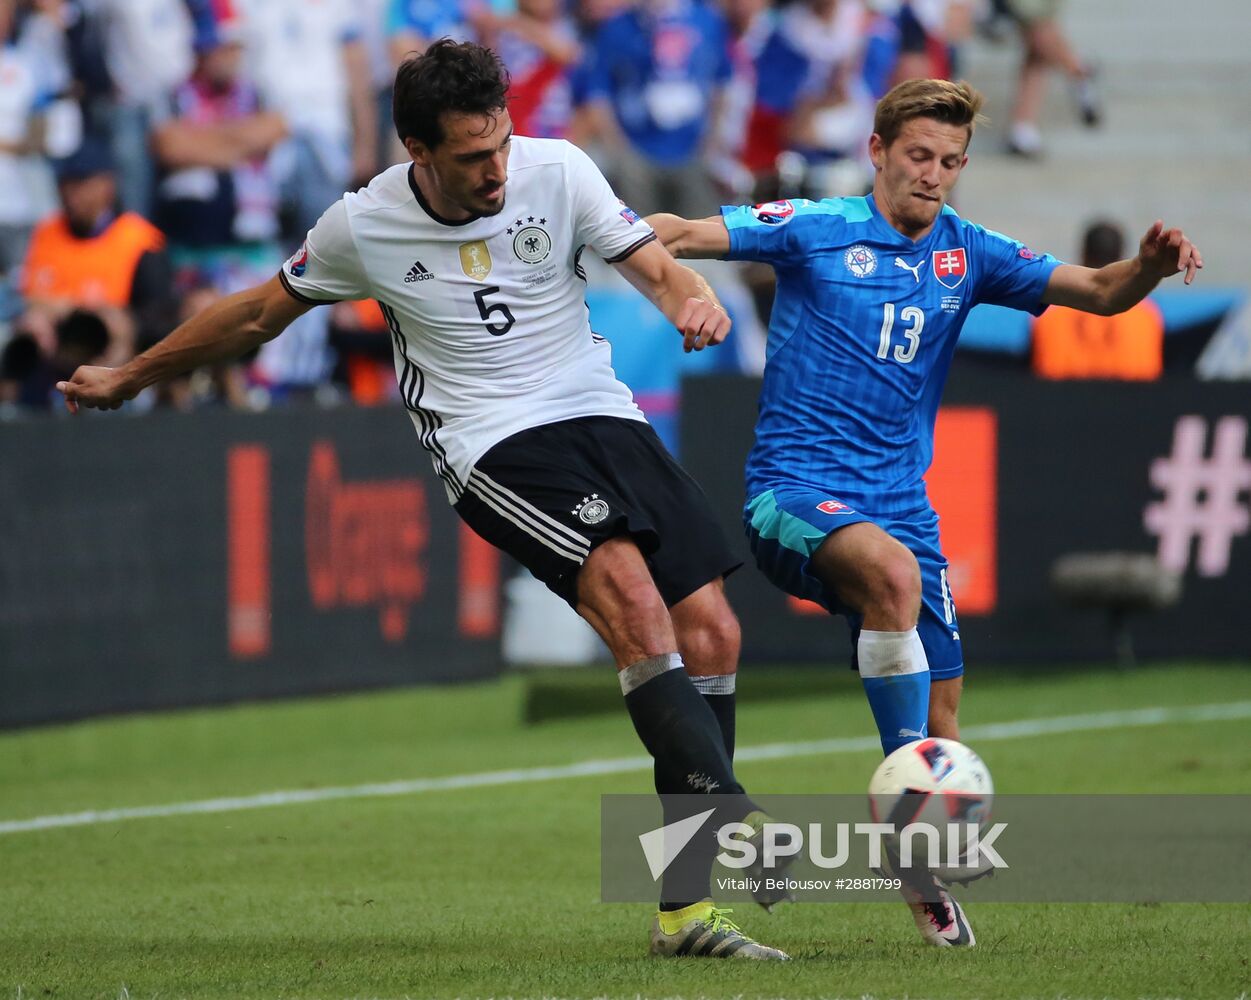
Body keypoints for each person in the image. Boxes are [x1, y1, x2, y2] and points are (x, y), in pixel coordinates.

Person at [55, 39, 787, 962]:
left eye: (503, 144)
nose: (496, 170)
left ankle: (684, 914)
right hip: (490, 444)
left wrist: (690, 300)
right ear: (416, 149)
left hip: (599, 411)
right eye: (472, 156)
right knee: (636, 606)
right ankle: (731, 819)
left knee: (713, 630)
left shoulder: (557, 170)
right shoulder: (362, 225)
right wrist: (131, 375)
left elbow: (650, 262)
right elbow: (252, 316)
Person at [646, 76, 1201, 948]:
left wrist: (1151, 269)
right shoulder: (816, 228)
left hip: (902, 503)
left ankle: (922, 875)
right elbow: (674, 230)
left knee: (943, 719)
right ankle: (901, 832)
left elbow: (1097, 290)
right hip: (790, 492)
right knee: (893, 579)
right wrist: (663, 277)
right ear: (876, 152)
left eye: (948, 161)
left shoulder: (967, 251)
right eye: (916, 156)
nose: (932, 174)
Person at [1030, 220, 1164, 380]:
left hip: (1060, 400)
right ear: (1123, 258)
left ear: (1083, 255)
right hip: (1132, 400)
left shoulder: (1048, 314)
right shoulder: (1147, 316)